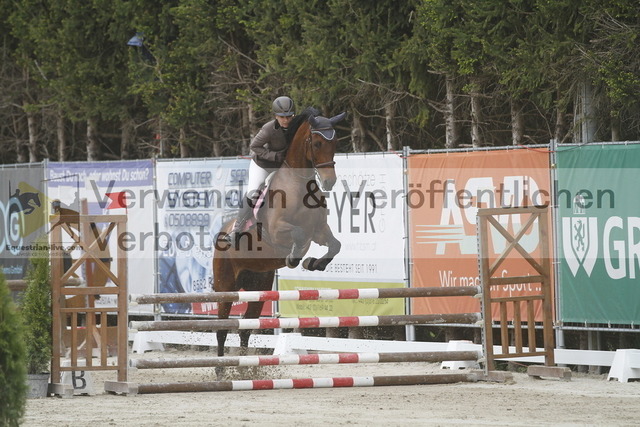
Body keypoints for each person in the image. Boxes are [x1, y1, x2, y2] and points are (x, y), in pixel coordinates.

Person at [225, 96, 295, 242]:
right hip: (263, 166)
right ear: (276, 116)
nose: (286, 120)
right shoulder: (268, 129)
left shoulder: (297, 126)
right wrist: (274, 156)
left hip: (282, 167)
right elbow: (254, 146)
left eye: (289, 116)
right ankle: (237, 228)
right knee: (253, 193)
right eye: (282, 117)